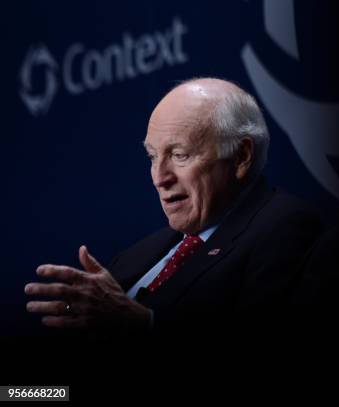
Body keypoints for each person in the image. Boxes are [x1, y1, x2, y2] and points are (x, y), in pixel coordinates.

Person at [24, 78, 322, 334]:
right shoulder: (133, 257)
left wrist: (143, 323)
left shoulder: (283, 226)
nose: (160, 178)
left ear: (241, 156)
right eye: (153, 157)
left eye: (179, 155)